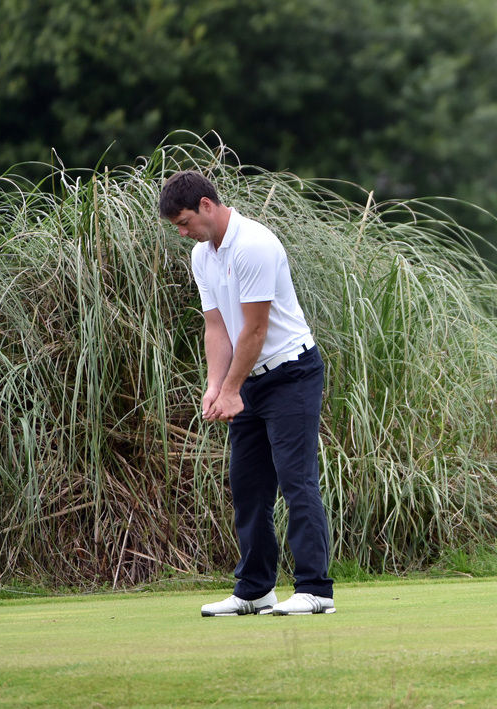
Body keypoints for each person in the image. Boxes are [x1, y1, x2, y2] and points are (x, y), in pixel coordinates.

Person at [159, 170, 336, 615]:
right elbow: (217, 327)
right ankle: (256, 589)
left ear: (206, 205)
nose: (183, 233)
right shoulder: (203, 255)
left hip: (291, 372)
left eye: (183, 222)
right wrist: (216, 385)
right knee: (248, 484)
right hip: (247, 378)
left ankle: (316, 590)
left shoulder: (255, 244)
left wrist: (233, 388)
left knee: (296, 480)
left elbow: (255, 329)